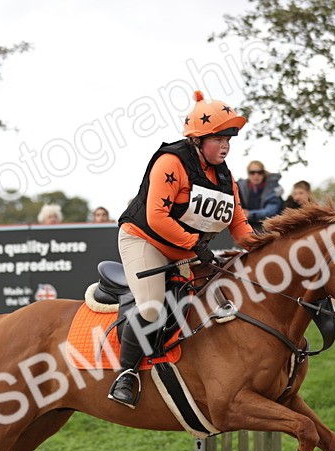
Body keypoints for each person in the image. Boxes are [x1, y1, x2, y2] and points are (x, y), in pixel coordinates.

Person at [110, 90, 258, 408]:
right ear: (198, 140)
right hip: (144, 240)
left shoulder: (224, 176)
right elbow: (156, 217)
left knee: (208, 302)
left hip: (183, 252)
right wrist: (194, 245)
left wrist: (262, 249)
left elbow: (239, 225)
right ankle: (127, 374)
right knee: (152, 307)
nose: (225, 146)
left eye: (228, 140)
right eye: (218, 139)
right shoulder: (171, 162)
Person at [237, 160, 283, 230]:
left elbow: (272, 211)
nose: (256, 175)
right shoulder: (239, 187)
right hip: (243, 227)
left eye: (259, 172)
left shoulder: (273, 188)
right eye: (252, 172)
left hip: (267, 228)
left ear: (263, 173)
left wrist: (250, 214)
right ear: (248, 174)